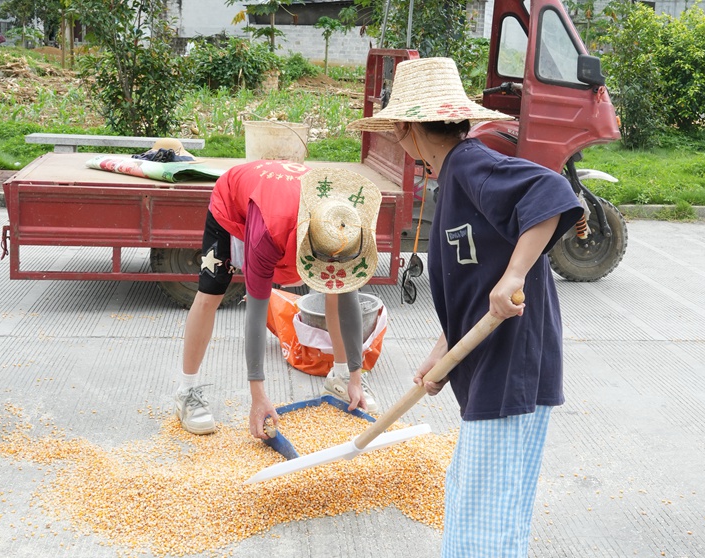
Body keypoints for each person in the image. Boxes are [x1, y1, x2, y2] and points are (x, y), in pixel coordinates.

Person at [348, 57, 584, 557]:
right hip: (488, 361)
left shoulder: (471, 164)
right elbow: (473, 284)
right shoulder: (453, 177)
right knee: (478, 499)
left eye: (395, 131)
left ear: (408, 128)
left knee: (484, 512)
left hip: (510, 363)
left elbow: (551, 192)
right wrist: (442, 349)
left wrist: (517, 276)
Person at [174, 160, 382, 438]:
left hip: (285, 199)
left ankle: (341, 377)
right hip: (238, 200)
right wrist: (258, 395)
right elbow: (256, 315)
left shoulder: (343, 222)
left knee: (336, 289)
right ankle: (186, 391)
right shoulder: (268, 235)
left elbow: (348, 300)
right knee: (211, 291)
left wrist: (356, 375)